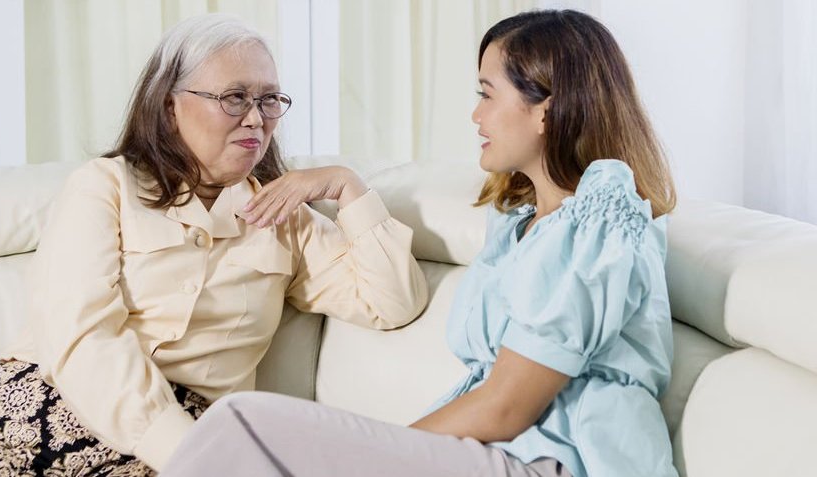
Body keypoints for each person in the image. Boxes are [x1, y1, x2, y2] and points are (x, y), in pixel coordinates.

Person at [160, 8, 680, 477]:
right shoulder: (517, 228)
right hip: (497, 454)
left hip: (558, 461)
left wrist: (380, 453)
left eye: (486, 94)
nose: (476, 115)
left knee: (242, 420)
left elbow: (506, 408)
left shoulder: (601, 216)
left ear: (546, 108)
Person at [0, 13, 428, 476]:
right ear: (170, 108)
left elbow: (392, 302)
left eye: (269, 100)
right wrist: (187, 453)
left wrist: (348, 187)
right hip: (39, 407)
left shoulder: (284, 218)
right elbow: (83, 338)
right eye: (234, 97)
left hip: (188, 437)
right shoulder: (104, 187)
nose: (256, 118)